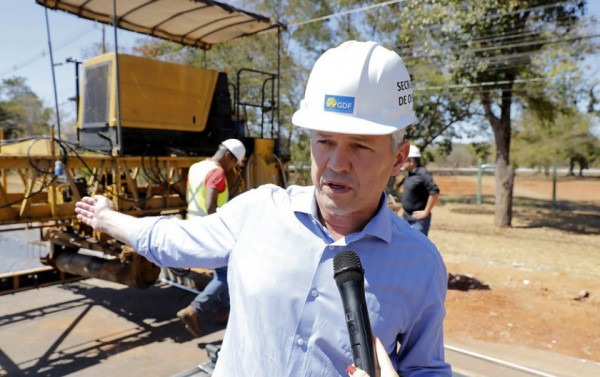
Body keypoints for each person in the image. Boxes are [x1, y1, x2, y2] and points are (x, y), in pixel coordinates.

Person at [75, 41, 451, 377]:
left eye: (360, 146)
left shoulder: (420, 264)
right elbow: (173, 240)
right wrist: (106, 217)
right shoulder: (259, 211)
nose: (337, 163)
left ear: (399, 158)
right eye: (324, 141)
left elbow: (426, 368)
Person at [177, 138, 246, 337]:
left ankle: (224, 311)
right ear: (228, 156)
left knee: (223, 270)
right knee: (226, 274)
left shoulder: (197, 167)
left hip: (194, 225)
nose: (233, 167)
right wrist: (223, 226)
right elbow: (210, 205)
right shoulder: (216, 172)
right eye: (234, 163)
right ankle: (194, 309)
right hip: (212, 230)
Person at [398, 145, 440, 236]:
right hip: (406, 217)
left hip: (418, 220)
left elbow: (435, 192)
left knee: (416, 246)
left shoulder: (423, 173)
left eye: (404, 159)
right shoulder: (410, 173)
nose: (401, 162)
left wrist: (426, 212)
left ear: (411, 161)